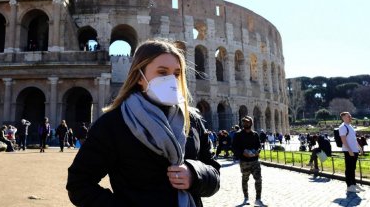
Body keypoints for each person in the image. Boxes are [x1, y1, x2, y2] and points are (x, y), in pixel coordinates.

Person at [67, 39, 220, 207]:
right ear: (139, 77)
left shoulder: (192, 120)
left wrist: (194, 173)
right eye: (162, 72)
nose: (171, 80)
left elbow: (214, 173)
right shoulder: (113, 123)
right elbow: (79, 184)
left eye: (176, 74)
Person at [232, 116, 265, 206]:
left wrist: (257, 151)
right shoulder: (238, 134)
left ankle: (258, 199)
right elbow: (234, 147)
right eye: (244, 122)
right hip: (244, 161)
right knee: (245, 179)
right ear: (242, 123)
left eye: (248, 122)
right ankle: (246, 198)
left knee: (259, 179)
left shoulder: (255, 134)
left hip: (255, 161)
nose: (246, 123)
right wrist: (242, 153)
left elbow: (259, 145)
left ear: (251, 123)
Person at [339, 112, 364, 193]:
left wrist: (359, 147)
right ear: (343, 118)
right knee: (349, 168)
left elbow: (353, 139)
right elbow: (343, 140)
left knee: (353, 168)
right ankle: (349, 186)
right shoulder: (343, 127)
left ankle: (353, 184)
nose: (350, 117)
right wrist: (349, 150)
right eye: (348, 116)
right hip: (348, 150)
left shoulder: (350, 126)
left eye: (350, 116)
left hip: (354, 150)